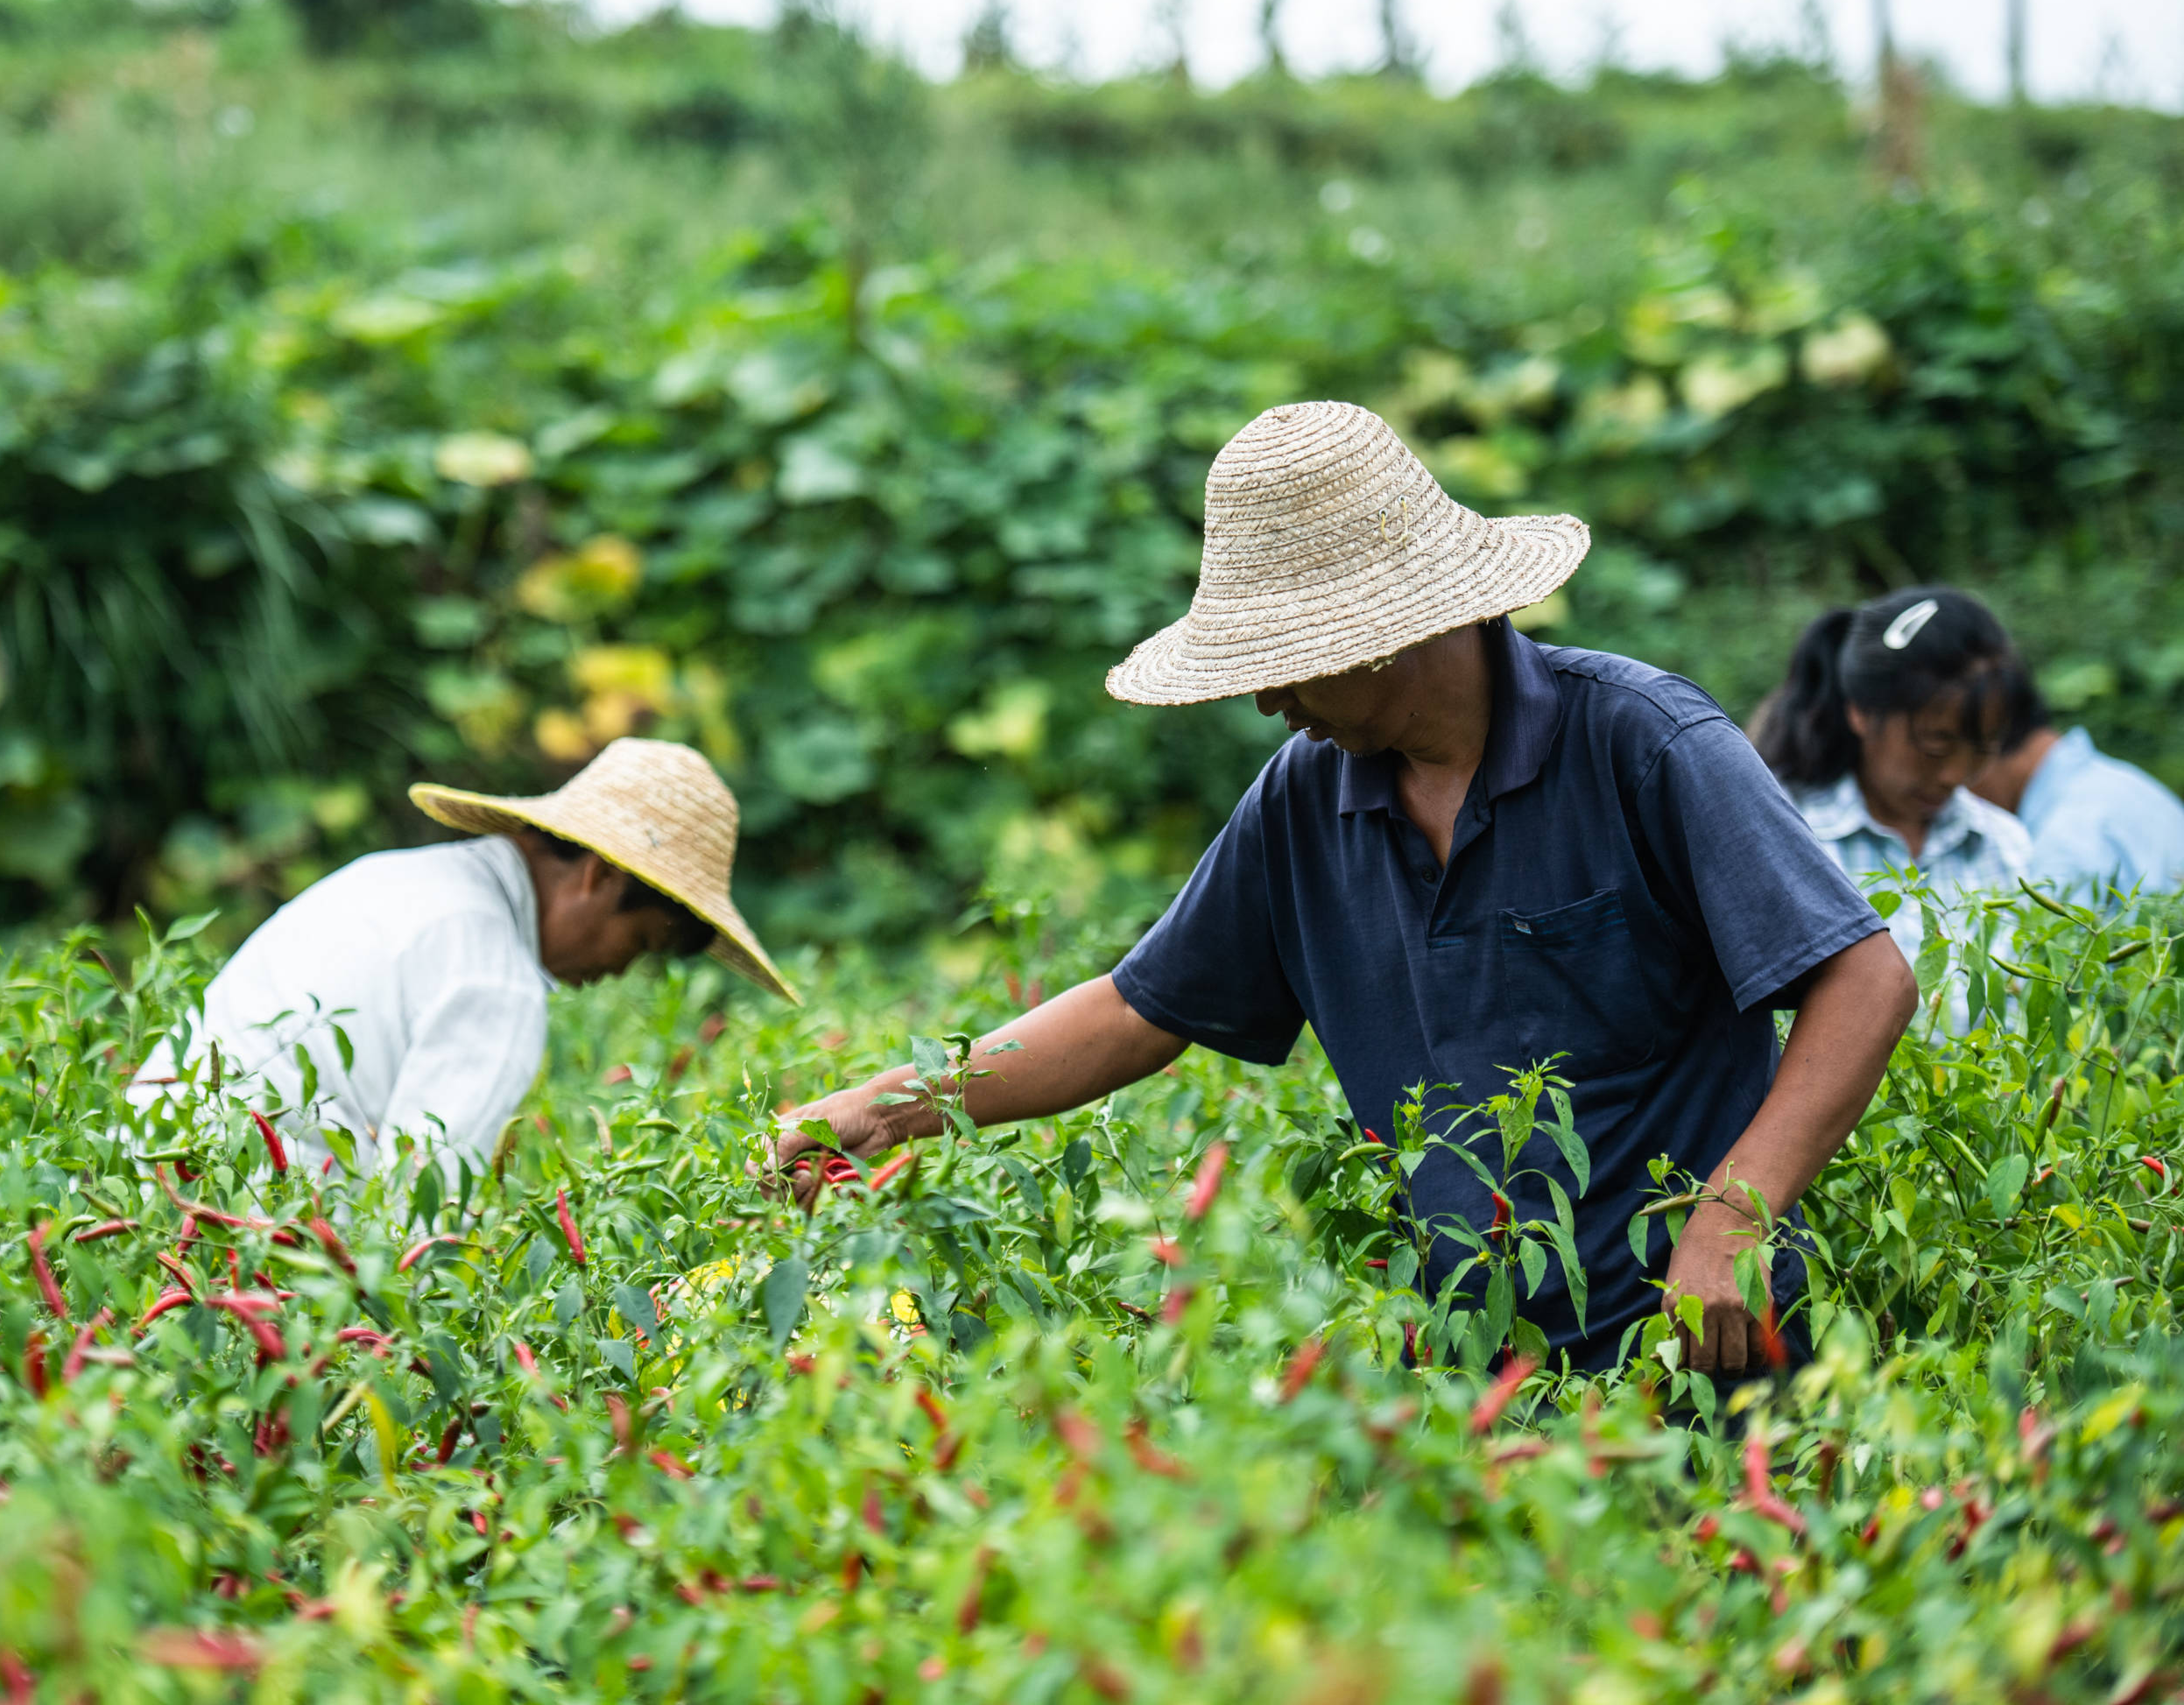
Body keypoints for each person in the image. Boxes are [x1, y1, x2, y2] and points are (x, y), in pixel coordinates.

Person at [772, 402, 1917, 1377]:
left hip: (1703, 1351)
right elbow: (1138, 1009)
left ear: (1381, 638)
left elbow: (1863, 979)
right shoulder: (1306, 798)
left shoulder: (1642, 745)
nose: (1267, 702)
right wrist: (895, 1104)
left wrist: (1736, 1211)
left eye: (1284, 666)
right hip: (1472, 1379)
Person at [131, 737, 795, 1178]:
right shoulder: (495, 980)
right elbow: (416, 1228)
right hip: (232, 1247)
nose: (623, 972)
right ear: (598, 878)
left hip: (137, 1178)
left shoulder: (392, 878)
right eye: (643, 944)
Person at [1750, 588, 2033, 962]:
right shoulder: (1784, 837)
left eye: (1982, 748)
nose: (1955, 775)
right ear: (1862, 711)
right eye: (1935, 743)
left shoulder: (2005, 846)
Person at [1969, 660, 2184, 897]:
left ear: (1988, 745)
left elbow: (2059, 931)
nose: (1953, 787)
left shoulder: (2065, 837)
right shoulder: (2127, 784)